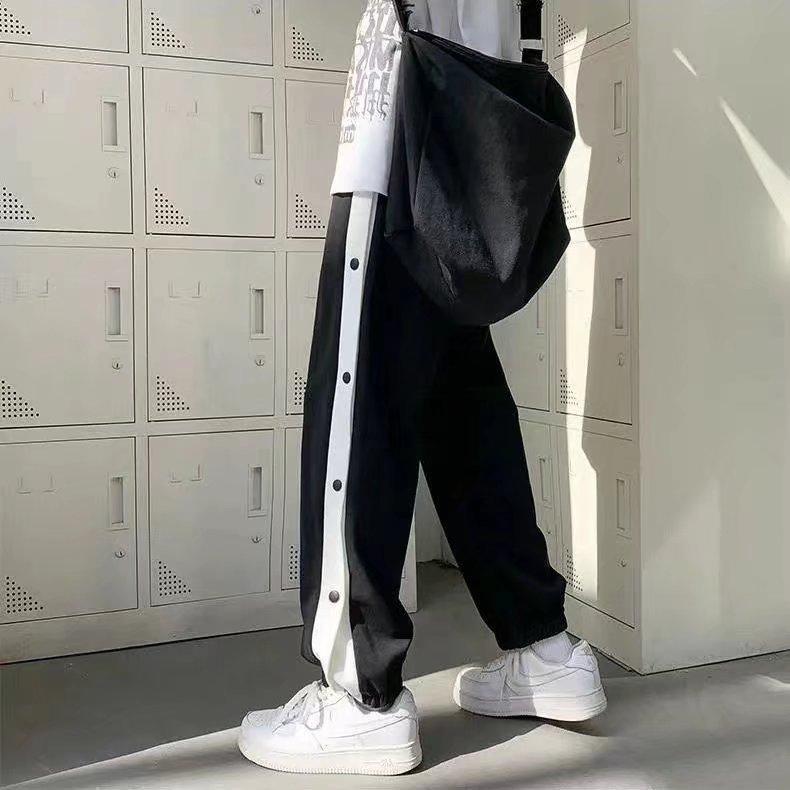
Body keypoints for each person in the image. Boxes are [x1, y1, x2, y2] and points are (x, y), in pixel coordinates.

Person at [237, 1, 606, 776]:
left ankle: (357, 693)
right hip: (462, 133)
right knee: (460, 407)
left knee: (357, 401)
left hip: (398, 146)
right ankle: (543, 648)